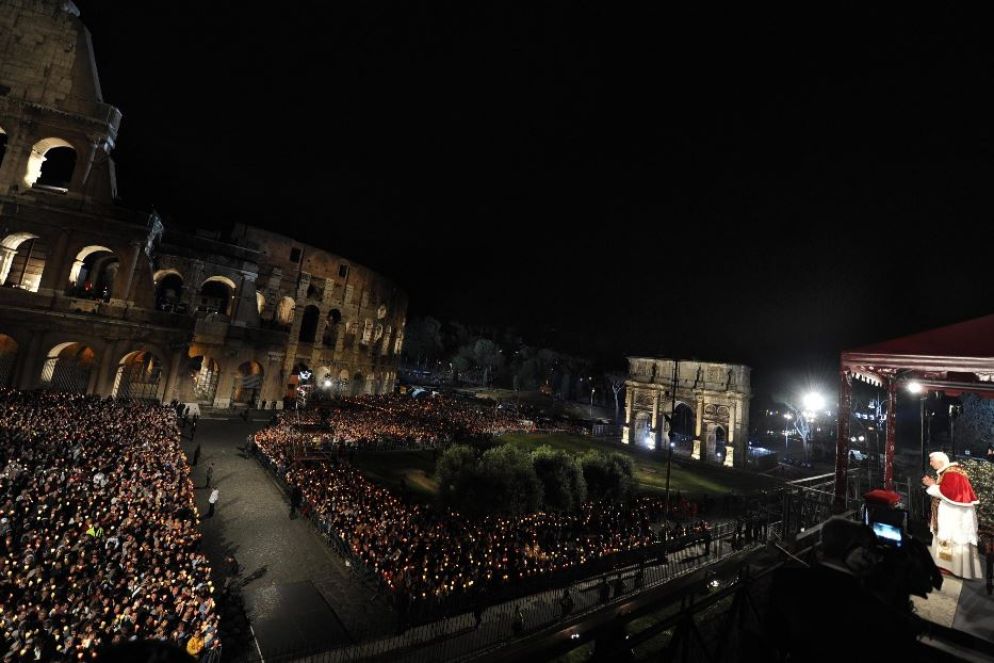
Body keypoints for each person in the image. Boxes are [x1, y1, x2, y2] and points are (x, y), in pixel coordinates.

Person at [922, 451, 984, 578]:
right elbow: (946, 489)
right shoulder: (949, 472)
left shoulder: (952, 473)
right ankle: (946, 565)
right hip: (951, 513)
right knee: (947, 540)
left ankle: (948, 567)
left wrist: (931, 485)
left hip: (953, 516)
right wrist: (934, 484)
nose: (930, 463)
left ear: (940, 461)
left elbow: (949, 494)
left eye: (932, 460)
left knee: (951, 539)